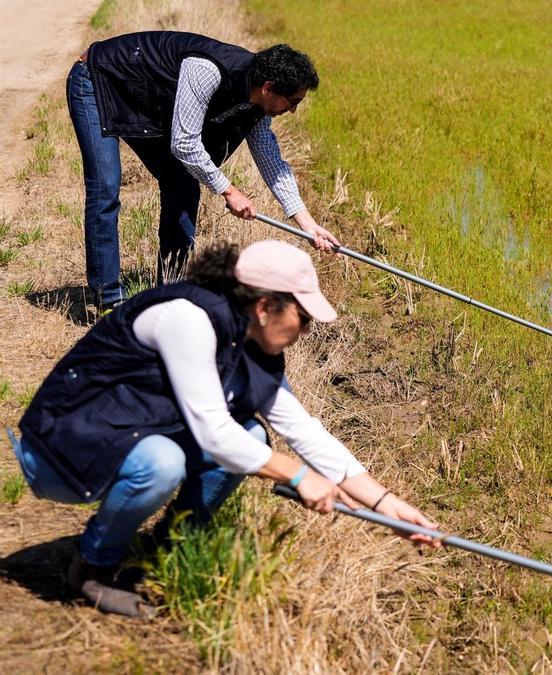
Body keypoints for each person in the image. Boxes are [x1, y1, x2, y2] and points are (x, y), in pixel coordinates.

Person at [12, 240, 439, 618]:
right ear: (265, 306)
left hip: (124, 434)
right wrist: (298, 476)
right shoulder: (188, 318)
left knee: (251, 438)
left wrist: (387, 505)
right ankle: (92, 569)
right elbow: (213, 431)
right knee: (166, 462)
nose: (305, 331)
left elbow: (303, 431)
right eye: (303, 317)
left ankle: (169, 550)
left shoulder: (251, 344)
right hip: (61, 448)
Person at [67, 30, 341, 314]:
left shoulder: (258, 104)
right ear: (269, 87)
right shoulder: (207, 69)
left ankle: (172, 293)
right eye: (293, 101)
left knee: (183, 183)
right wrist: (229, 190)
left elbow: (271, 160)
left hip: (142, 99)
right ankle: (108, 299)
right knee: (106, 187)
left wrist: (308, 224)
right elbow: (184, 143)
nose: (294, 110)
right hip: (97, 81)